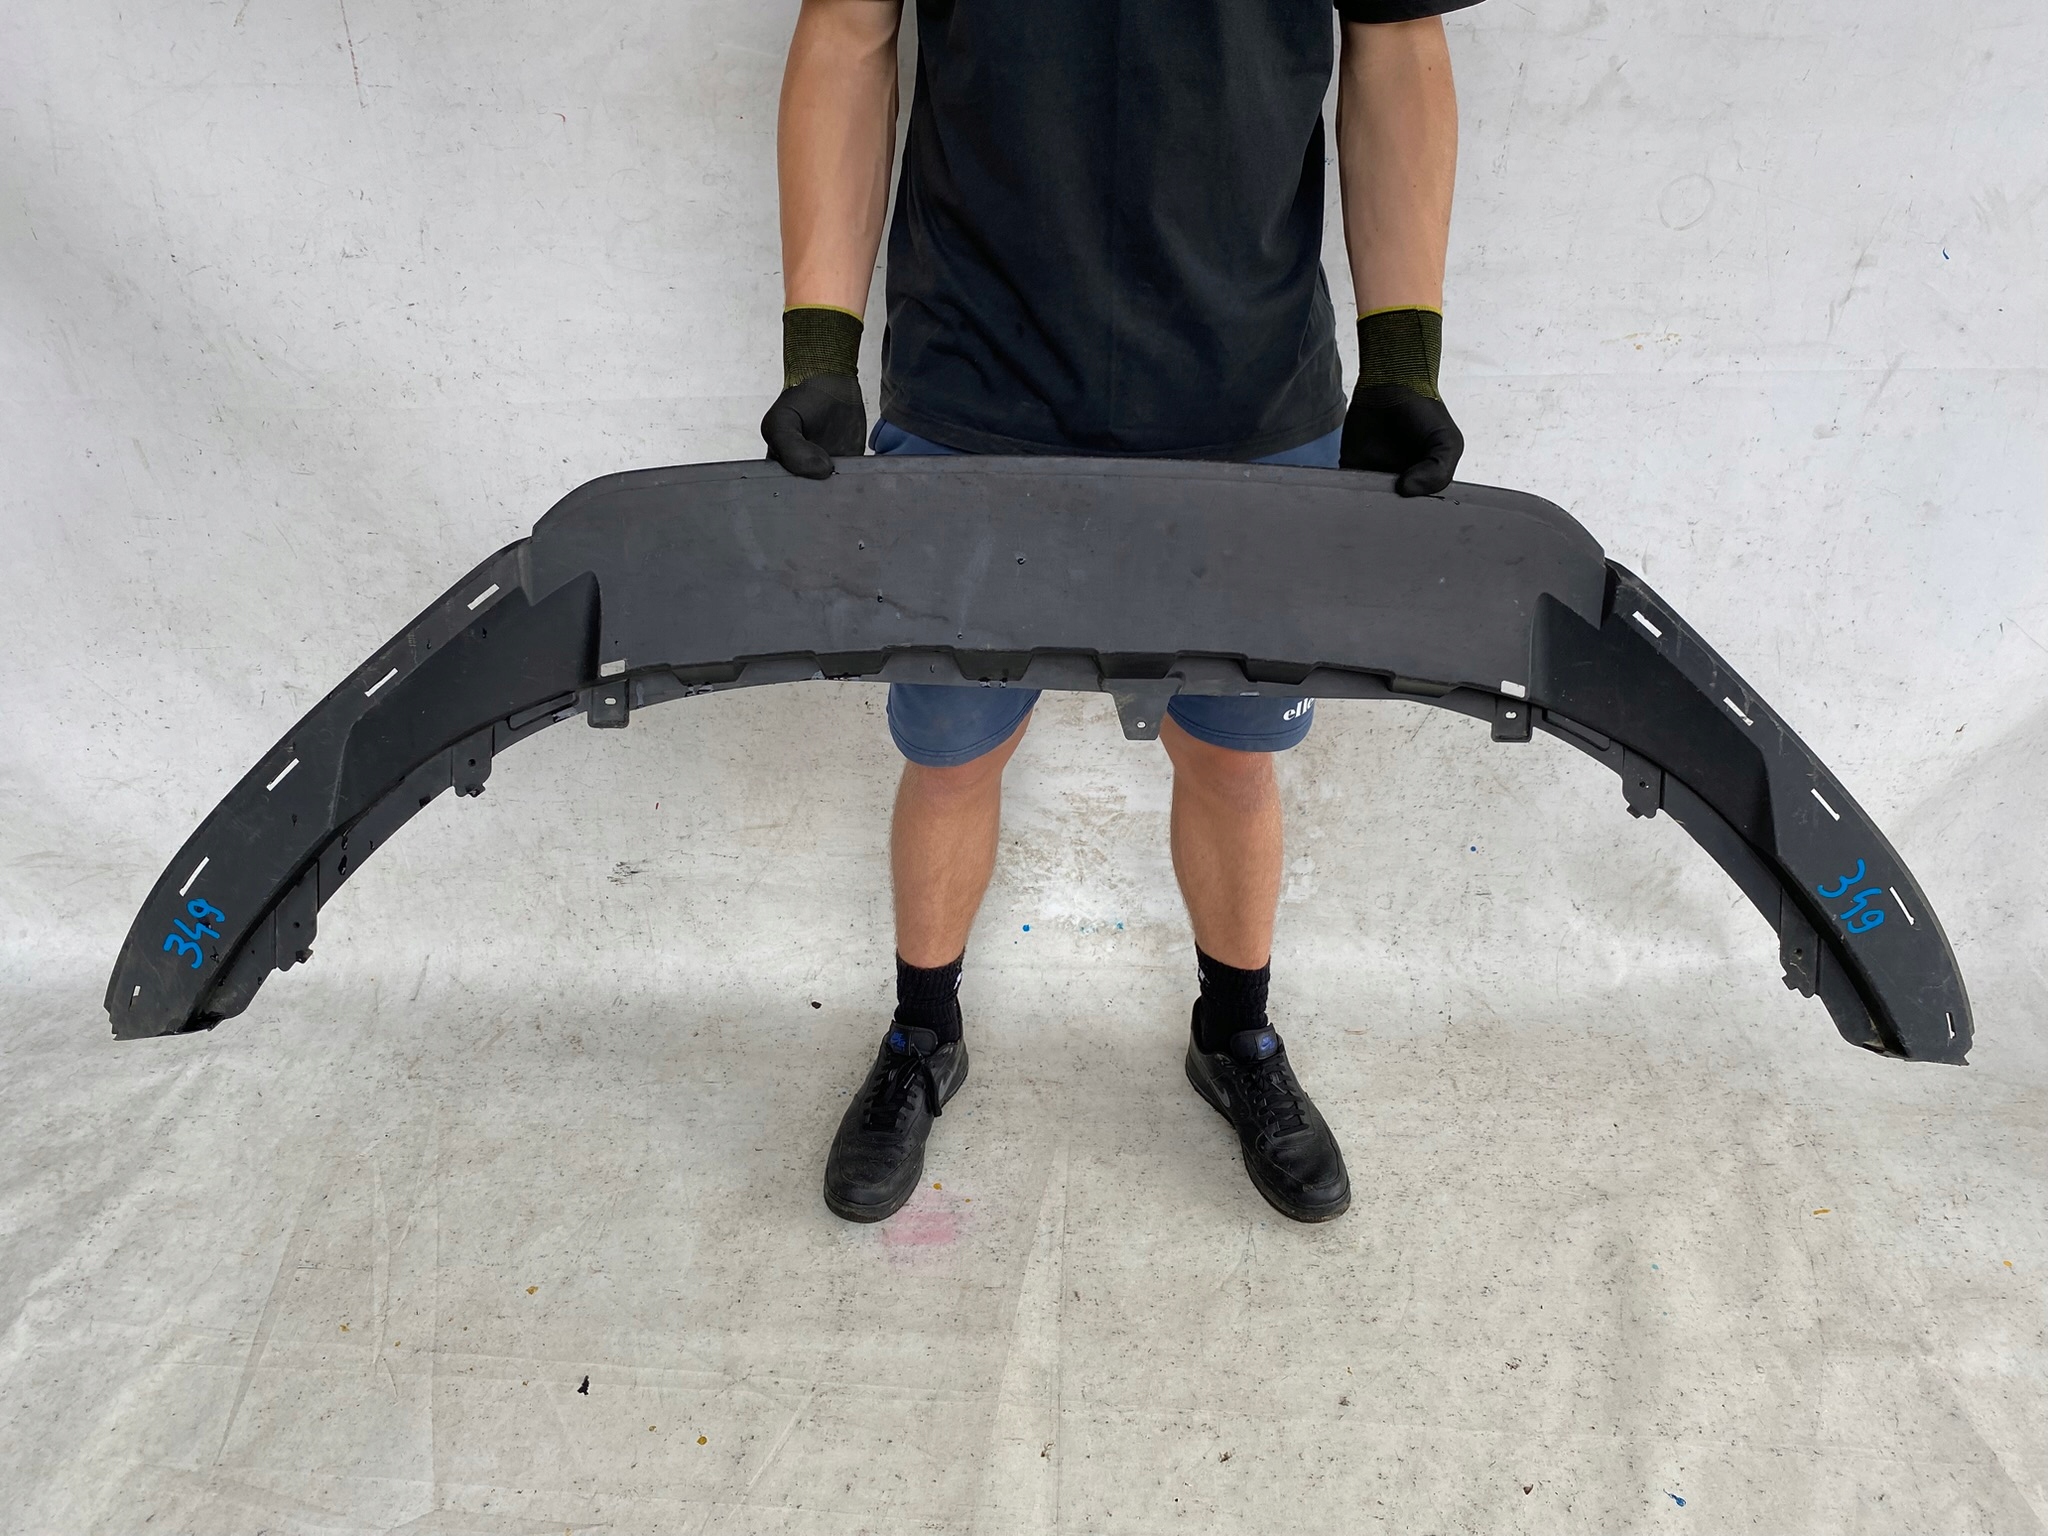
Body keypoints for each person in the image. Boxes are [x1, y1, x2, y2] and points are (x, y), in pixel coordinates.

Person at [762, 0, 1476, 1225]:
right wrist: (817, 350)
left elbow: (1397, 43)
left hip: (1245, 382)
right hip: (975, 375)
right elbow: (846, 30)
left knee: (1232, 756)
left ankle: (1235, 1036)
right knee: (950, 752)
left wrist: (1402, 362)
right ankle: (922, 1036)